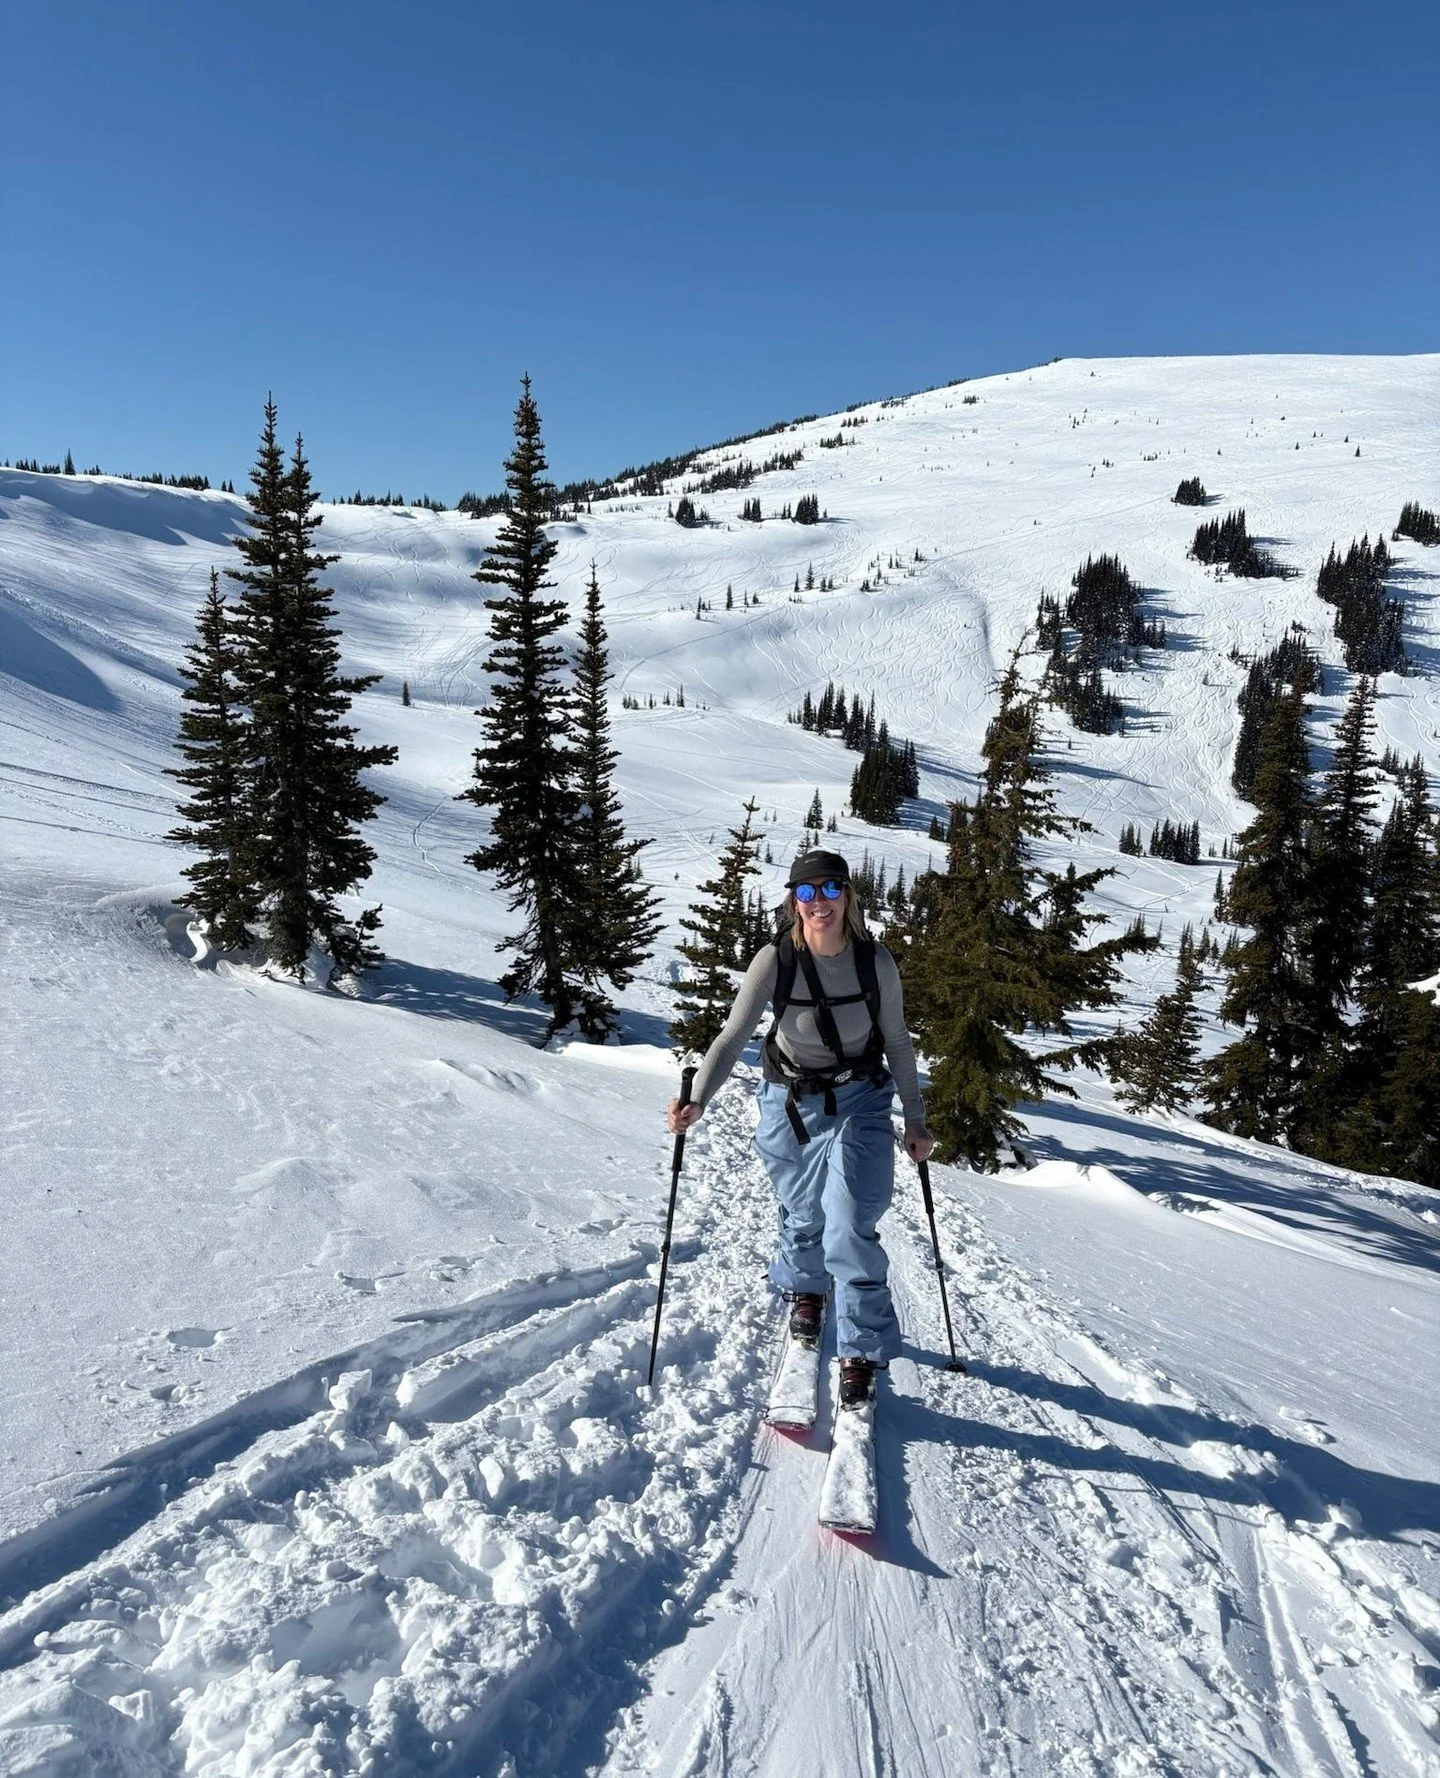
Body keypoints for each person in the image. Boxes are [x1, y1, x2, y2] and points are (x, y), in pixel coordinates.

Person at [666, 849, 933, 1407]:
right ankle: (807, 1291)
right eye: (807, 892)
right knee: (804, 1212)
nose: (819, 903)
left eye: (831, 890)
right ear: (794, 900)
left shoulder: (874, 962)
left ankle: (860, 1347)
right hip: (789, 1101)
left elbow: (901, 1043)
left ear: (848, 897)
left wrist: (915, 1119)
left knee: (852, 1217)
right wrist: (697, 1099)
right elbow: (732, 1037)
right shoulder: (775, 959)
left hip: (860, 1100)